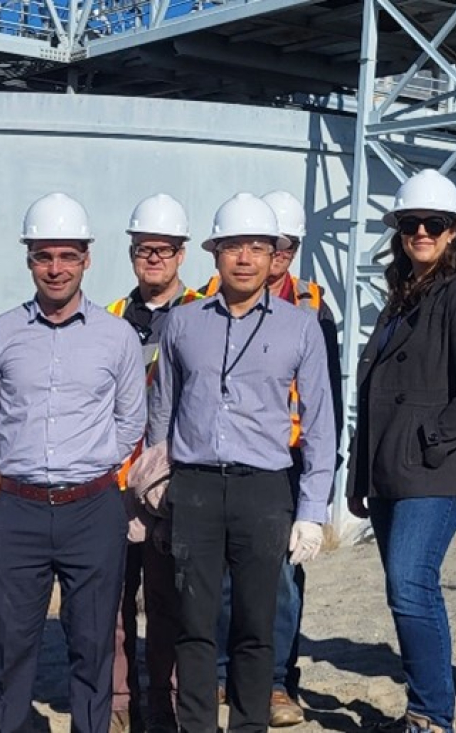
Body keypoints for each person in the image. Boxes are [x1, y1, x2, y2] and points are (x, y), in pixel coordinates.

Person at [147, 193, 336, 733]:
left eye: (258, 247)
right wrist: (158, 487)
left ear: (275, 255)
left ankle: (249, 727)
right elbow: (164, 409)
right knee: (195, 625)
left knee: (257, 627)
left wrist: (311, 509)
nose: (246, 258)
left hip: (265, 491)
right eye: (234, 247)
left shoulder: (301, 327)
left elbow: (321, 422)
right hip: (196, 489)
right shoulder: (182, 324)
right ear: (215, 254)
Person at [0, 192, 146, 733]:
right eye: (45, 256)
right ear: (29, 260)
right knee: (11, 644)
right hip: (18, 509)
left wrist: (88, 468)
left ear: (87, 259)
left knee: (92, 644)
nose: (56, 268)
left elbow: (130, 420)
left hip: (92, 509)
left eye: (68, 256)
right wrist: (24, 467)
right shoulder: (0, 334)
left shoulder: (117, 336)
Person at [346, 169, 456, 733]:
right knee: (403, 589)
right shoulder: (401, 299)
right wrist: (359, 477)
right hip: (392, 470)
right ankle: (422, 708)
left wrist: (427, 443)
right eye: (412, 224)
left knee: (411, 583)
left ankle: (433, 715)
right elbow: (375, 396)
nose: (421, 232)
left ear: (453, 231)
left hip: (437, 468)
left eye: (434, 224)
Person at [211, 190, 344, 726]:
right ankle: (223, 675)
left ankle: (278, 683)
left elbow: (326, 404)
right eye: (272, 245)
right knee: (222, 574)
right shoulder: (212, 300)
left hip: (287, 464)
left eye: (285, 248)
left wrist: (319, 493)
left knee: (284, 578)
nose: (277, 256)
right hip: (233, 461)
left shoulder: (313, 306)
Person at [106, 193, 201, 733]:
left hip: (173, 487)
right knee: (113, 606)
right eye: (145, 249)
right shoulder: (112, 318)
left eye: (164, 250)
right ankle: (120, 703)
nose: (154, 260)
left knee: (168, 603)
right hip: (115, 487)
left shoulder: (201, 318)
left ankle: (166, 703)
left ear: (182, 255)